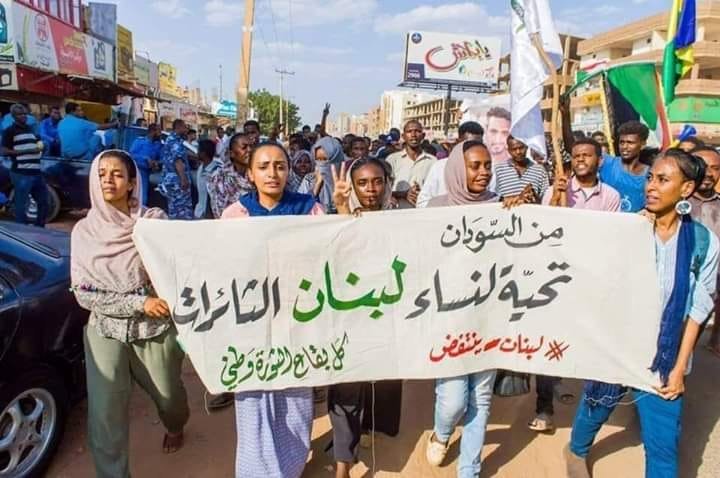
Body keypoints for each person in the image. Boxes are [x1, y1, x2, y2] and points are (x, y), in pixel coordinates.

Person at [564, 148, 719, 478]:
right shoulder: (626, 229)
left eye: (663, 180)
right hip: (618, 347)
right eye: (650, 178)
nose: (651, 186)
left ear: (687, 189)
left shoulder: (703, 242)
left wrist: (678, 368)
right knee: (597, 406)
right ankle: (576, 450)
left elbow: (698, 308)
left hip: (665, 359)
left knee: (663, 447)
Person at [71, 150, 189, 478]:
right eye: (102, 174)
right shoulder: (83, 231)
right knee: (104, 414)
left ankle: (176, 425)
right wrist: (138, 303)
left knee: (169, 397)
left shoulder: (153, 222)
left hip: (153, 329)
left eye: (117, 174)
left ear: (132, 182)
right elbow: (83, 293)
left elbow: (177, 264)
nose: (108, 180)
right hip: (104, 330)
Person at [221, 143, 321, 478]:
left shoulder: (310, 211)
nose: (272, 173)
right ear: (249, 173)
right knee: (252, 403)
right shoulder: (235, 215)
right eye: (263, 167)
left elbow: (330, 256)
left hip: (298, 322)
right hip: (250, 325)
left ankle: (291, 466)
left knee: (295, 405)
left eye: (280, 166)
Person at [425, 141, 500, 478]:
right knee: (455, 399)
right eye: (475, 166)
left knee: (481, 398)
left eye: (487, 165)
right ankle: (441, 433)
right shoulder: (435, 209)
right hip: (449, 321)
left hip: (490, 319)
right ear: (458, 168)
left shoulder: (501, 208)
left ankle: (469, 469)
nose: (483, 173)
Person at [325, 158, 400, 478]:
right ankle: (344, 462)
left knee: (382, 382)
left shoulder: (404, 221)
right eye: (363, 183)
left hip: (388, 317)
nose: (371, 189)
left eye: (377, 181)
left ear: (387, 182)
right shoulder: (337, 220)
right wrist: (341, 209)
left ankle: (372, 428)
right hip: (348, 318)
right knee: (346, 389)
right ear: (353, 186)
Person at [687, 146, 720, 356]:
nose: (709, 173)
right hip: (674, 285)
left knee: (687, 347)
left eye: (715, 168)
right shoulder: (674, 203)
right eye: (704, 167)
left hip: (708, 289)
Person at [417, 121, 484, 208]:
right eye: (468, 144)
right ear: (458, 142)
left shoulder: (488, 170)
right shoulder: (439, 167)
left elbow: (494, 202)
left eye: (477, 145)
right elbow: (422, 202)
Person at [1, 103, 47, 226]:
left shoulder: (31, 129)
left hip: (36, 172)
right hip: (21, 173)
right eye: (20, 114)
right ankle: (21, 231)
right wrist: (26, 151)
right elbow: (4, 150)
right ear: (13, 116)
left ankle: (39, 228)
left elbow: (38, 143)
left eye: (25, 114)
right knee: (21, 204)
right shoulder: (9, 131)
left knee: (43, 202)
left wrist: (42, 145)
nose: (23, 116)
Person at [598, 121, 650, 213]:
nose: (624, 147)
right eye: (622, 142)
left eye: (630, 143)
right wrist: (566, 115)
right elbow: (574, 148)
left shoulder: (650, 174)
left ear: (642, 145)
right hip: (606, 223)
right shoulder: (607, 162)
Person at [386, 120, 436, 209]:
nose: (413, 135)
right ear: (403, 136)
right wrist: (403, 194)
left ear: (423, 136)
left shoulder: (432, 161)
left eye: (417, 131)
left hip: (424, 214)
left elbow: (436, 191)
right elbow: (383, 191)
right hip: (398, 214)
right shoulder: (392, 160)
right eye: (409, 131)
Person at [207, 133, 254, 218]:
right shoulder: (220, 177)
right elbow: (218, 211)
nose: (249, 150)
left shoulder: (258, 174)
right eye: (244, 147)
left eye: (251, 146)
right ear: (231, 153)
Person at [494, 135, 549, 202]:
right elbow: (494, 199)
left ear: (526, 146)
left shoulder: (540, 170)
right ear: (508, 150)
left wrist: (534, 196)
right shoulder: (499, 170)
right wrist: (519, 198)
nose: (518, 152)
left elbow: (545, 200)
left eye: (521, 148)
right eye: (514, 149)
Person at [160, 119, 193, 220]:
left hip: (172, 180)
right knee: (181, 209)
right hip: (177, 181)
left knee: (174, 207)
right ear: (178, 127)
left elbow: (184, 154)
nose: (186, 129)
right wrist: (183, 179)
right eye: (184, 127)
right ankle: (183, 230)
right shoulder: (174, 141)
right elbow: (177, 161)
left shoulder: (174, 140)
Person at [129, 123, 163, 207]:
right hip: (137, 170)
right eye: (159, 131)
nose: (160, 133)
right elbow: (131, 154)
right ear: (152, 131)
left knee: (144, 197)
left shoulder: (158, 145)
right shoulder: (140, 141)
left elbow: (163, 158)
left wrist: (156, 163)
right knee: (139, 196)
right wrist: (145, 158)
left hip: (149, 173)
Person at [312, 136, 345, 213]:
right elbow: (301, 208)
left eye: (325, 159)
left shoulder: (346, 180)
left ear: (336, 159)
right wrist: (317, 186)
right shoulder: (309, 179)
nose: (321, 164)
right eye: (318, 159)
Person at [194, 139, 221, 219]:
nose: (197, 153)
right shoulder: (201, 168)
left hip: (209, 215)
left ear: (203, 153)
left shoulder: (216, 171)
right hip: (199, 211)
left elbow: (214, 197)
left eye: (198, 150)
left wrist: (208, 216)